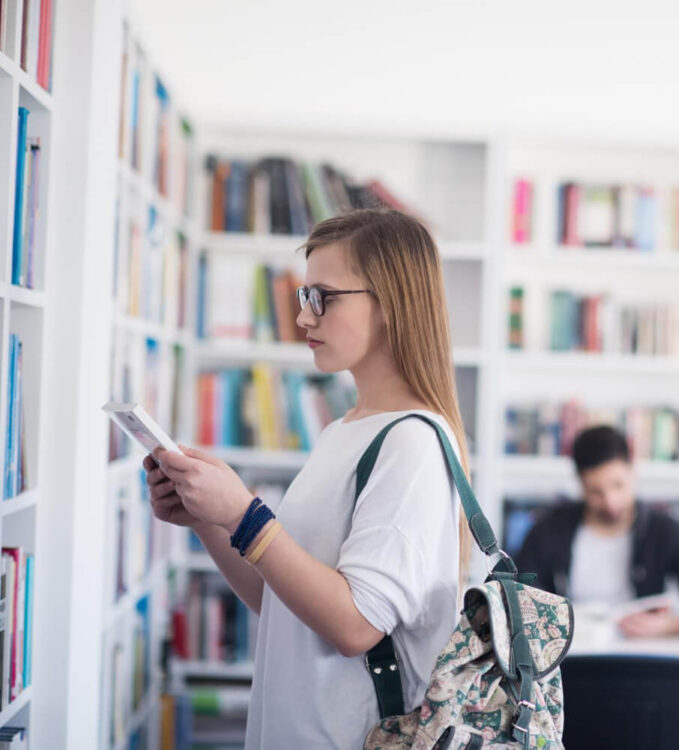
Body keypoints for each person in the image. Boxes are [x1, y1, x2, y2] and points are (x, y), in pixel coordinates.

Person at [142, 208, 472, 749]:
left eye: (322, 297)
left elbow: (354, 626)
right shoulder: (345, 431)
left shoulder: (411, 443)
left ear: (390, 304)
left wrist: (244, 516)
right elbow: (281, 599)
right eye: (303, 297)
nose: (303, 319)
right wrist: (209, 521)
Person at [514, 425, 679, 637]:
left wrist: (666, 626)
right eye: (596, 491)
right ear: (580, 484)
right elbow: (520, 600)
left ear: (632, 472)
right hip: (569, 656)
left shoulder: (666, 531)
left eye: (618, 485)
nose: (610, 501)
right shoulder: (547, 531)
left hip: (641, 656)